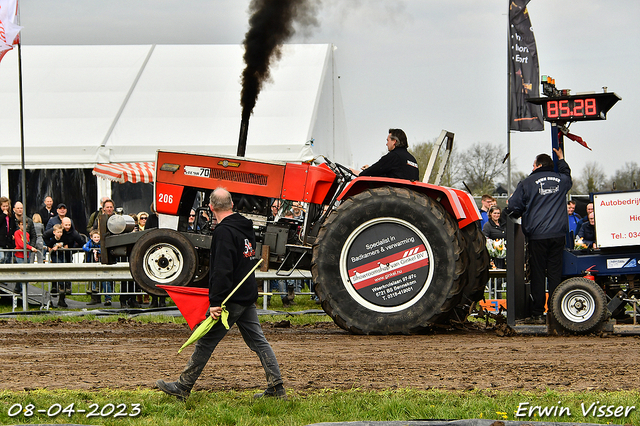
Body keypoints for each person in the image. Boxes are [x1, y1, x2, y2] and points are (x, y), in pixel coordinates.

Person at [156, 187, 286, 401]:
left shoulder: (223, 232)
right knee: (258, 341)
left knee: (206, 342)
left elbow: (222, 269)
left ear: (210, 207)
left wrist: (216, 301)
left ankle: (182, 386)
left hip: (230, 299)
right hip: (246, 293)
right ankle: (277, 388)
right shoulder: (245, 226)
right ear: (232, 204)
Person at [506, 147, 572, 325]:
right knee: (555, 273)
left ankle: (537, 313)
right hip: (558, 234)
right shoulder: (561, 180)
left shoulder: (527, 182)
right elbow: (568, 176)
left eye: (533, 165)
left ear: (538, 165)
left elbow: (514, 205)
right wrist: (562, 160)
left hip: (537, 236)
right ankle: (556, 311)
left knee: (537, 274)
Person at [353, 128, 419, 181]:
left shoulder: (394, 156)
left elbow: (377, 168)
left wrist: (361, 174)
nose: (386, 144)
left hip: (395, 194)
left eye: (388, 140)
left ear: (394, 141)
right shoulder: (412, 159)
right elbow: (395, 176)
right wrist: (369, 169)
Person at [83, 229, 112, 306]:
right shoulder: (90, 243)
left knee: (105, 282)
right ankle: (94, 298)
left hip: (103, 265)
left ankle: (108, 299)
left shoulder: (103, 243)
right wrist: (91, 250)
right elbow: (84, 247)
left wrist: (98, 252)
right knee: (93, 282)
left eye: (98, 237)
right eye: (95, 237)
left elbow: (106, 249)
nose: (96, 238)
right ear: (91, 237)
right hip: (93, 264)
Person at [13, 220, 39, 294]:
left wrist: (29, 248)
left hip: (26, 255)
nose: (24, 226)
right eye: (22, 224)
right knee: (22, 272)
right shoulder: (17, 233)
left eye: (25, 224)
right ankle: (22, 290)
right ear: (19, 225)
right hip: (19, 254)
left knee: (24, 272)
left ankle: (18, 288)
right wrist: (31, 248)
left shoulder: (27, 234)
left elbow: (26, 243)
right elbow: (21, 244)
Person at [0, 196, 16, 264]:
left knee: (8, 260)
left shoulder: (11, 215)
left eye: (7, 206)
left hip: (8, 241)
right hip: (1, 241)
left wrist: (13, 234)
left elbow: (13, 226)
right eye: (4, 206)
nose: (6, 208)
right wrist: (3, 215)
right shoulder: (2, 214)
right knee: (2, 258)